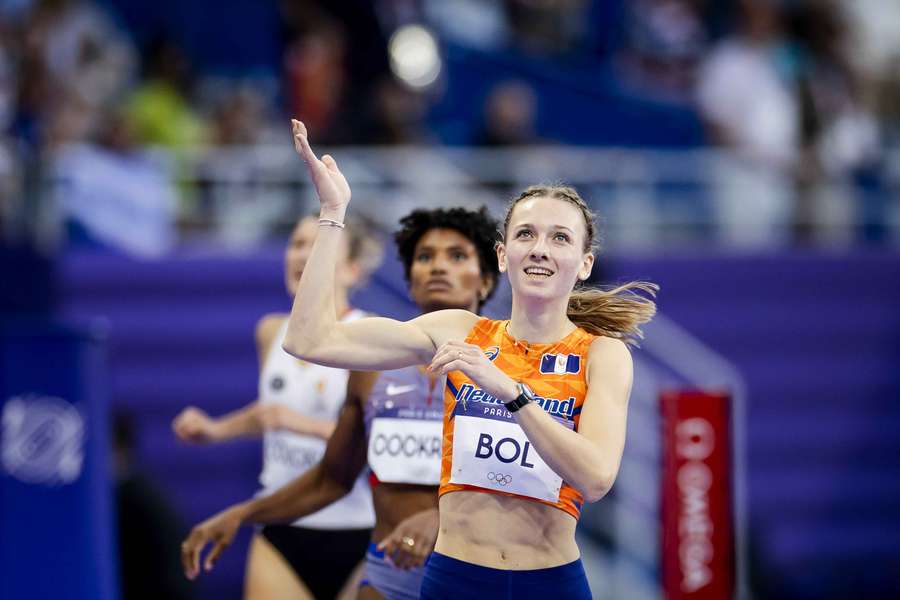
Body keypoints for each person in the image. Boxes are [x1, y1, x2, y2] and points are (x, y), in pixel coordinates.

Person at [274, 120, 658, 598]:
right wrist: (333, 213)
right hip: (457, 578)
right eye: (526, 234)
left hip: (549, 581)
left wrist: (511, 393)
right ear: (502, 255)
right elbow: (310, 340)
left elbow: (596, 477)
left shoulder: (603, 354)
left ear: (583, 264)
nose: (540, 248)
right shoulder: (458, 329)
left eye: (560, 238)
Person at [180, 205, 502, 600]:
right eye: (424, 257)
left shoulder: (506, 368)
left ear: (486, 281)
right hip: (388, 573)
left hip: (471, 570)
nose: (438, 267)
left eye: (456, 256)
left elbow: (523, 489)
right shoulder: (373, 367)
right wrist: (243, 514)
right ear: (410, 280)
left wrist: (440, 519)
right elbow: (333, 477)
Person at [172, 214, 381, 599]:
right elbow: (272, 410)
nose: (302, 255)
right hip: (281, 522)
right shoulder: (271, 330)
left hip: (357, 525)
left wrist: (302, 425)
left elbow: (380, 437)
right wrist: (216, 429)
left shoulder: (372, 337)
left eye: (317, 245)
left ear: (351, 270)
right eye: (296, 244)